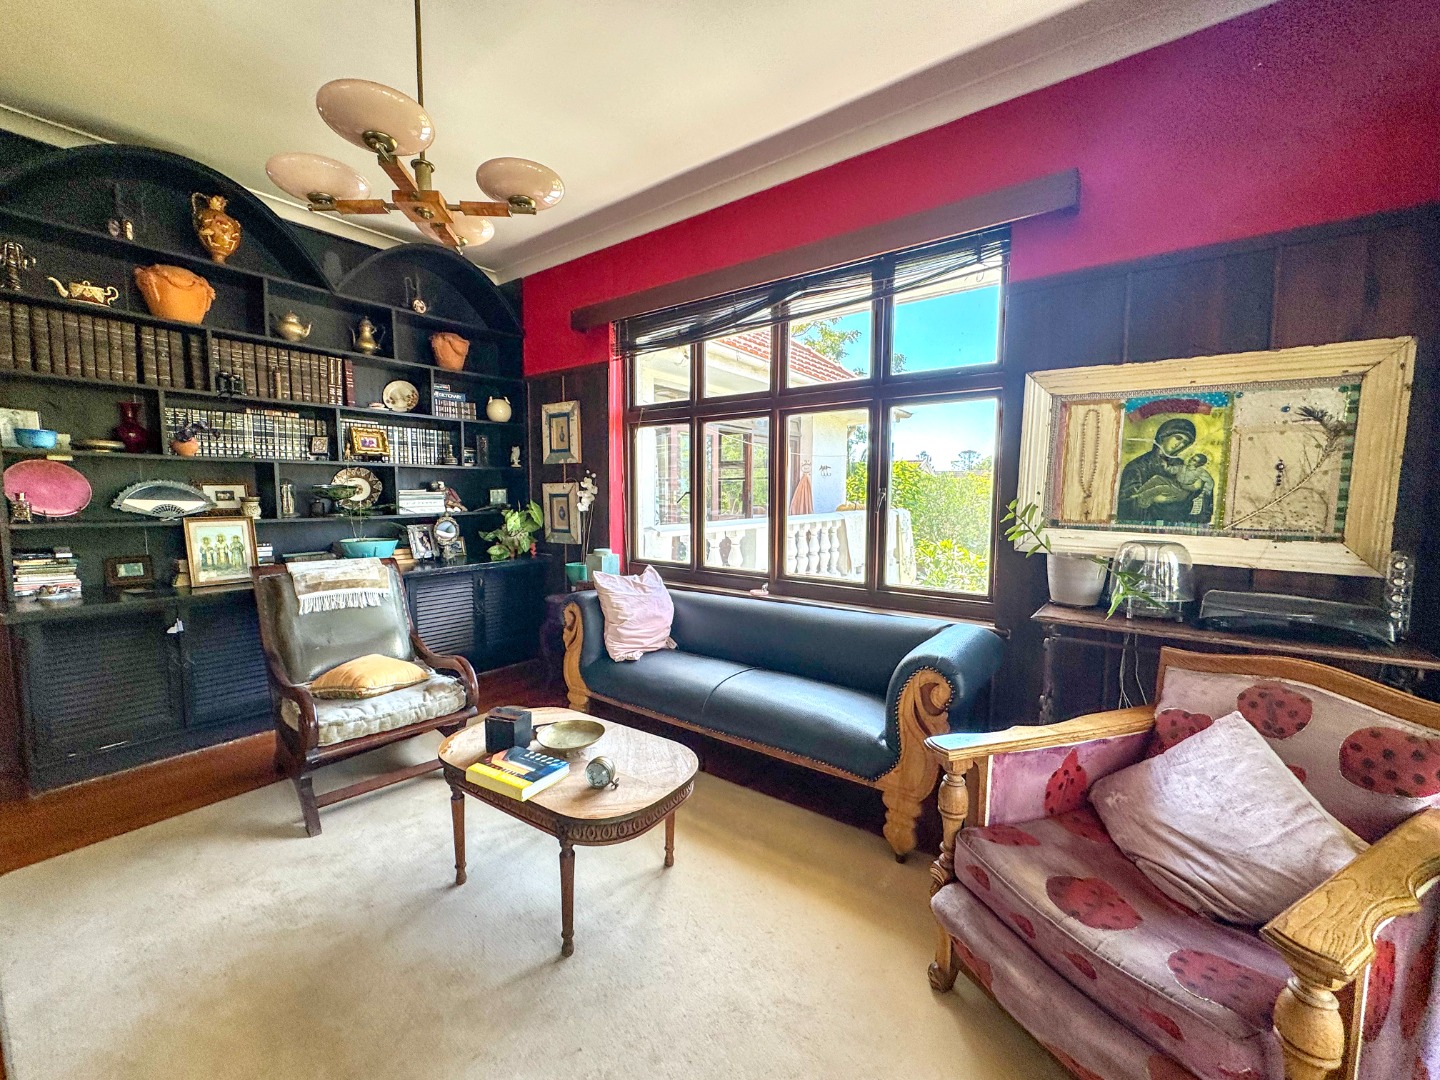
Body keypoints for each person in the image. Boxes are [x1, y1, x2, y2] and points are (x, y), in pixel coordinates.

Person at [1115, 418, 1210, 524]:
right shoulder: (1137, 466)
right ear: (1164, 436)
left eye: (1185, 442)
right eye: (1178, 438)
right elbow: (1125, 505)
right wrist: (1154, 500)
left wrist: (1202, 489)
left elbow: (1194, 497)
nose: (1180, 444)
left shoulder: (1182, 466)